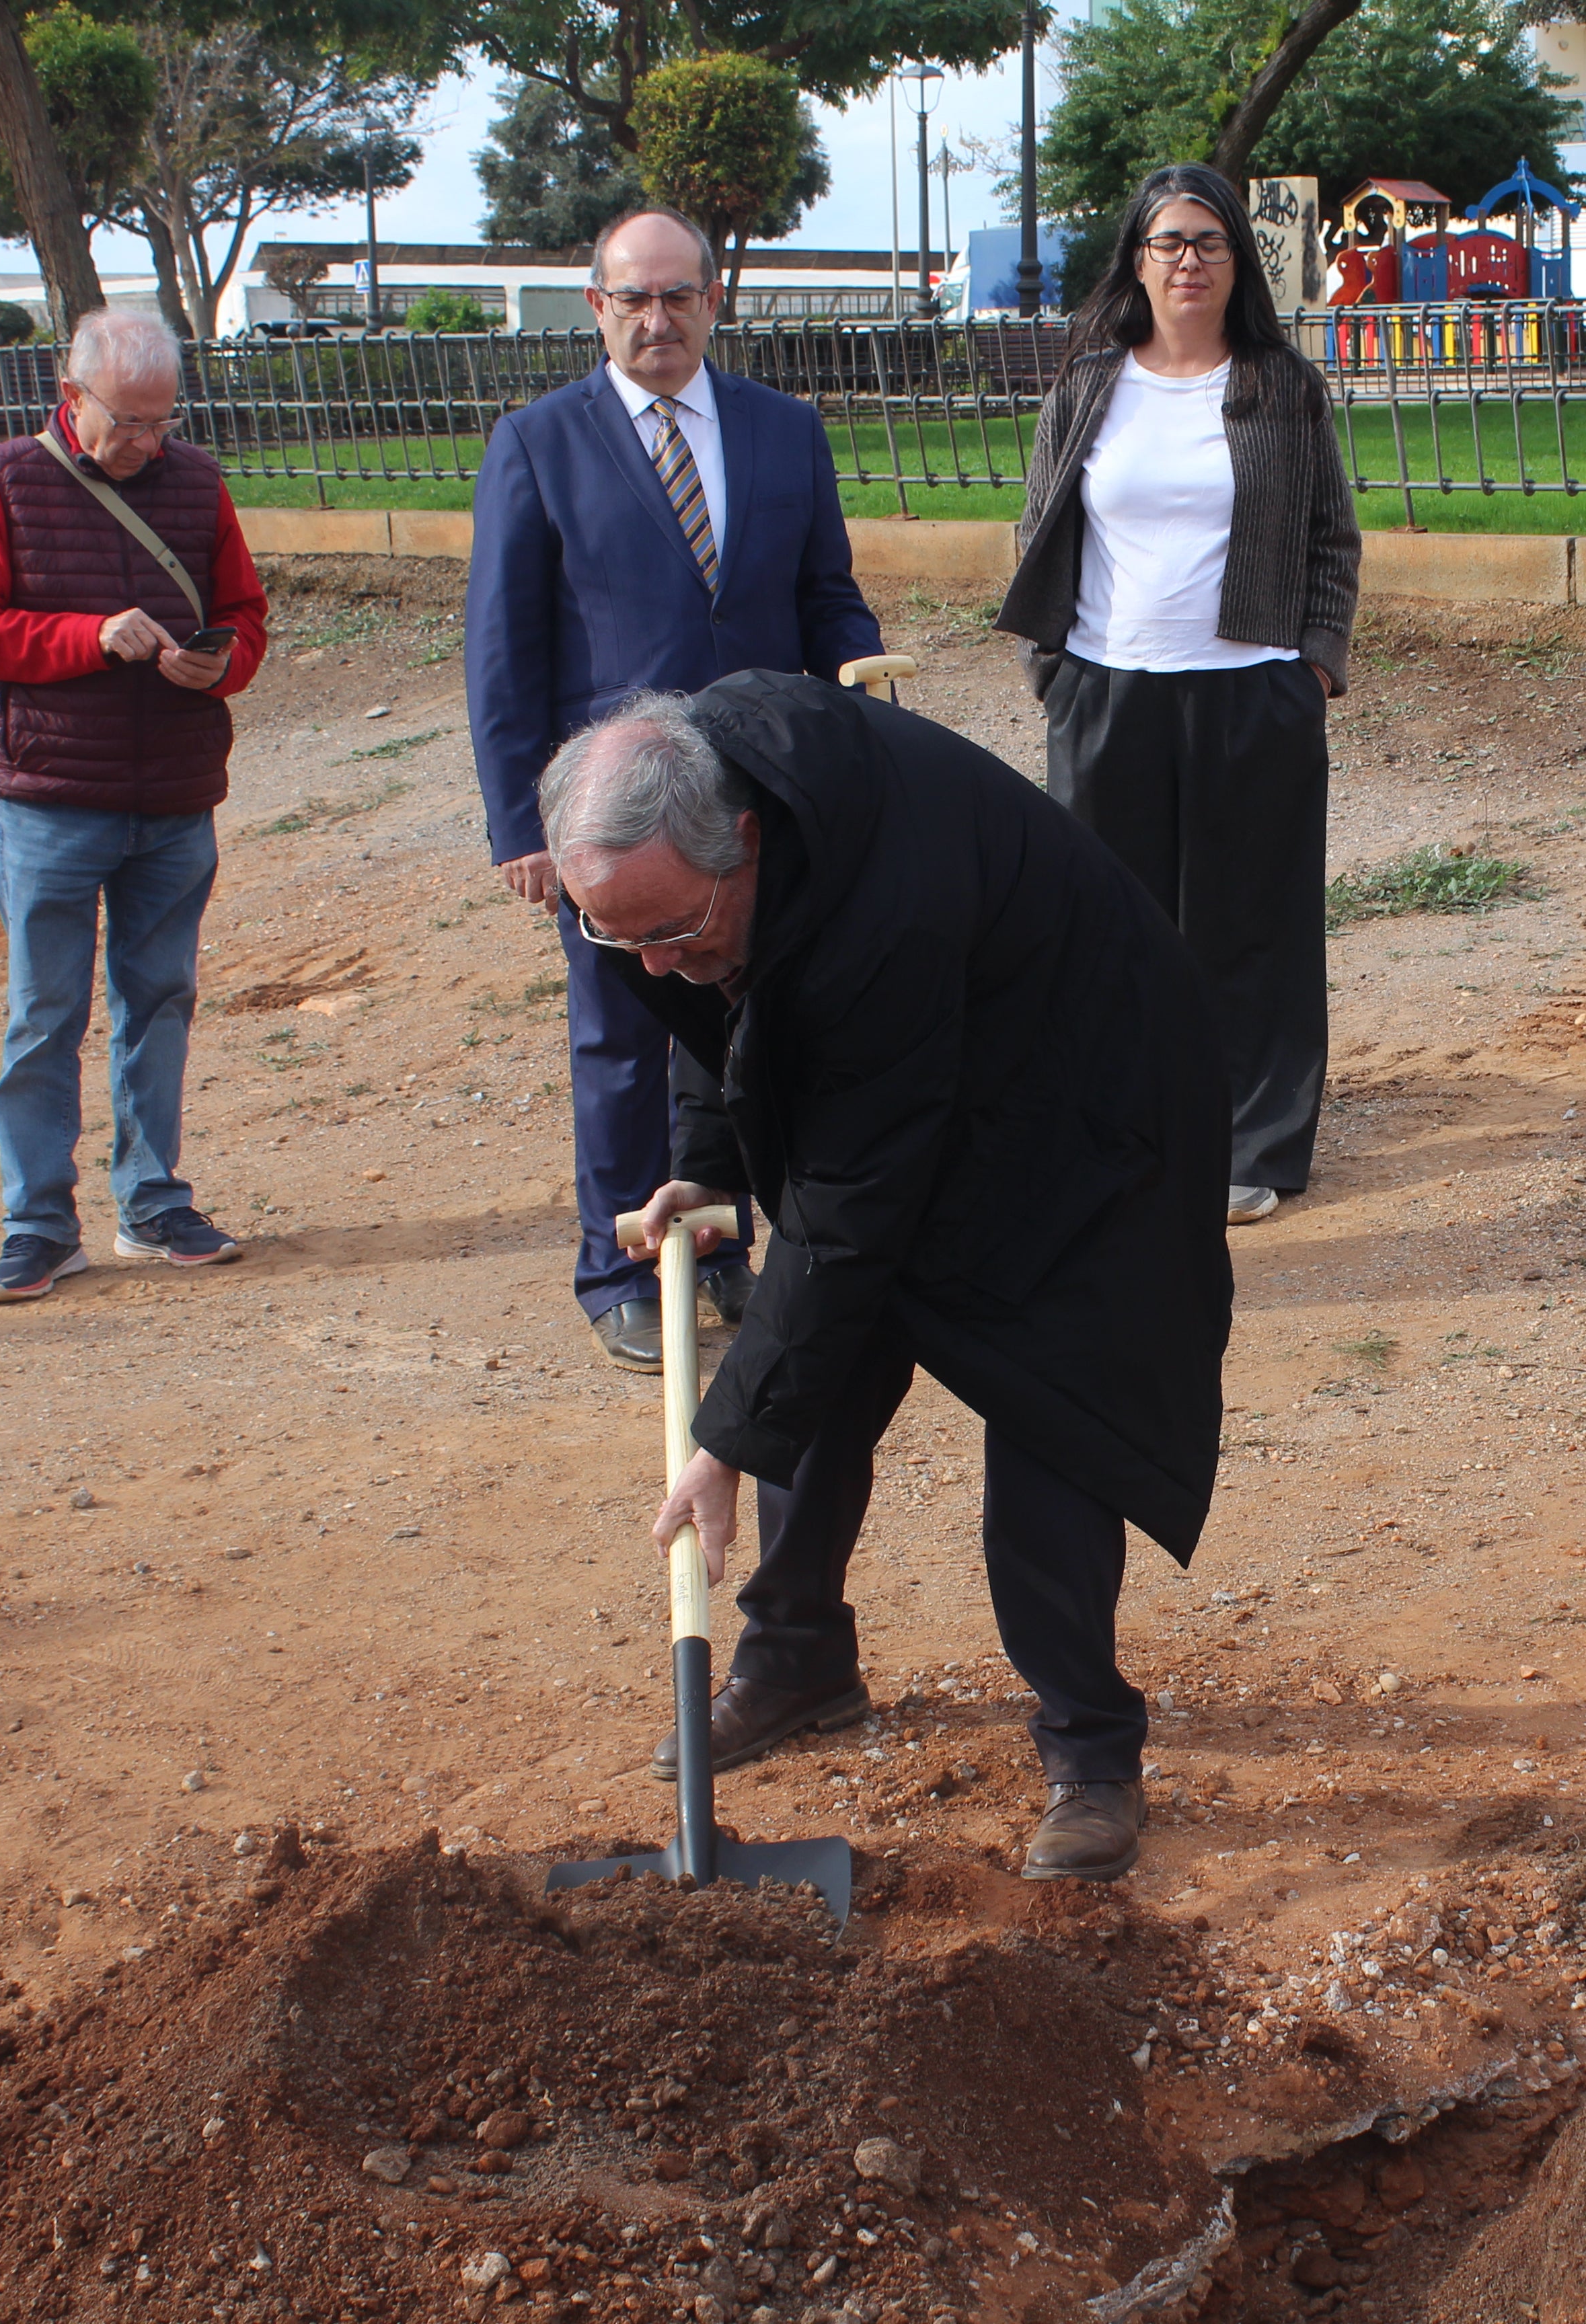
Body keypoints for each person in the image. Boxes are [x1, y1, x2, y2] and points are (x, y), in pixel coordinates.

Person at [541, 676, 1230, 1882]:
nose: (648, 961)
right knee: (818, 1373)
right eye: (617, 933)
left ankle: (1091, 1750)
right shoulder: (692, 871)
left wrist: (724, 1438)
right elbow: (717, 1003)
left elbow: (853, 1206)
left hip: (1086, 1109)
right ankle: (798, 1657)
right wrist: (707, 1172)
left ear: (742, 843)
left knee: (1051, 1415)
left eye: (668, 925)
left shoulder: (884, 901)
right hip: (922, 1072)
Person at [466, 205, 883, 1371]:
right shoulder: (539, 443)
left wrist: (859, 680)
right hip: (608, 808)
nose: (658, 318)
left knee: (754, 1023)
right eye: (632, 299)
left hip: (755, 794)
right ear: (596, 307)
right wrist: (520, 824)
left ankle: (724, 1233)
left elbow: (828, 598)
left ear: (715, 300)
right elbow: (504, 656)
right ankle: (620, 1272)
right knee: (621, 1032)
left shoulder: (784, 431)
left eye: (679, 296)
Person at [996, 163, 1361, 1227]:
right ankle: (1121, 1128)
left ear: (1236, 259)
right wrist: (1053, 673)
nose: (1189, 260)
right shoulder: (1086, 389)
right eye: (1169, 243)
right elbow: (1040, 527)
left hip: (1250, 693)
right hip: (1109, 690)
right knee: (1110, 929)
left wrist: (1316, 663)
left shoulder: (1280, 388)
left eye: (1208, 241)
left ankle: (1255, 1142)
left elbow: (1332, 538)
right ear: (1139, 263)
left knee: (1252, 932)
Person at [0, 307, 269, 1304]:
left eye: (161, 423)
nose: (146, 444)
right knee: (44, 1014)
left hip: (172, 793)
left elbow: (245, 616)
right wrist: (86, 638)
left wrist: (218, 666)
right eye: (127, 423)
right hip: (49, 800)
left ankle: (153, 1203)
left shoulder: (199, 484)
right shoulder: (2, 480)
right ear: (70, 396)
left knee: (159, 1004)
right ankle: (37, 1223)